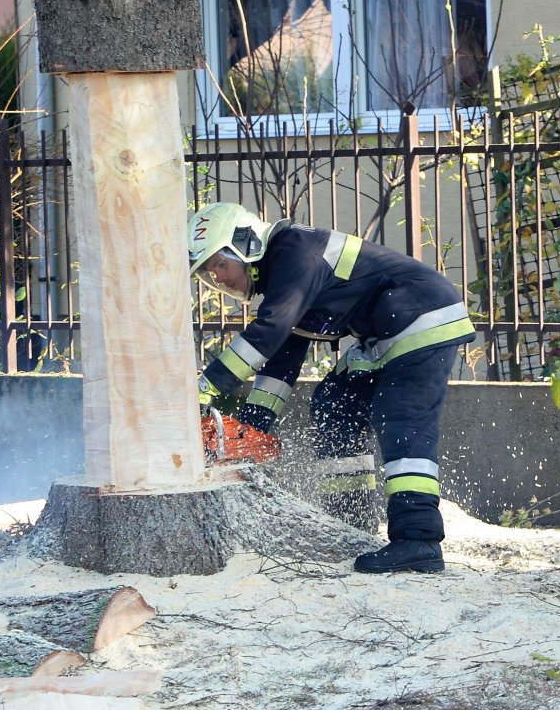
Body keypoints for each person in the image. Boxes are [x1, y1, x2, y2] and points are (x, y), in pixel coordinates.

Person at [188, 202, 475, 573]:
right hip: (386, 331)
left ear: (245, 243)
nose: (218, 278)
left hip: (422, 317)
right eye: (209, 273)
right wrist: (253, 426)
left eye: (219, 265)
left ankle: (418, 538)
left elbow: (269, 331)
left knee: (402, 419)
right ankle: (351, 517)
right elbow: (282, 357)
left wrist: (206, 387)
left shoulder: (295, 252)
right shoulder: (283, 275)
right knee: (335, 402)